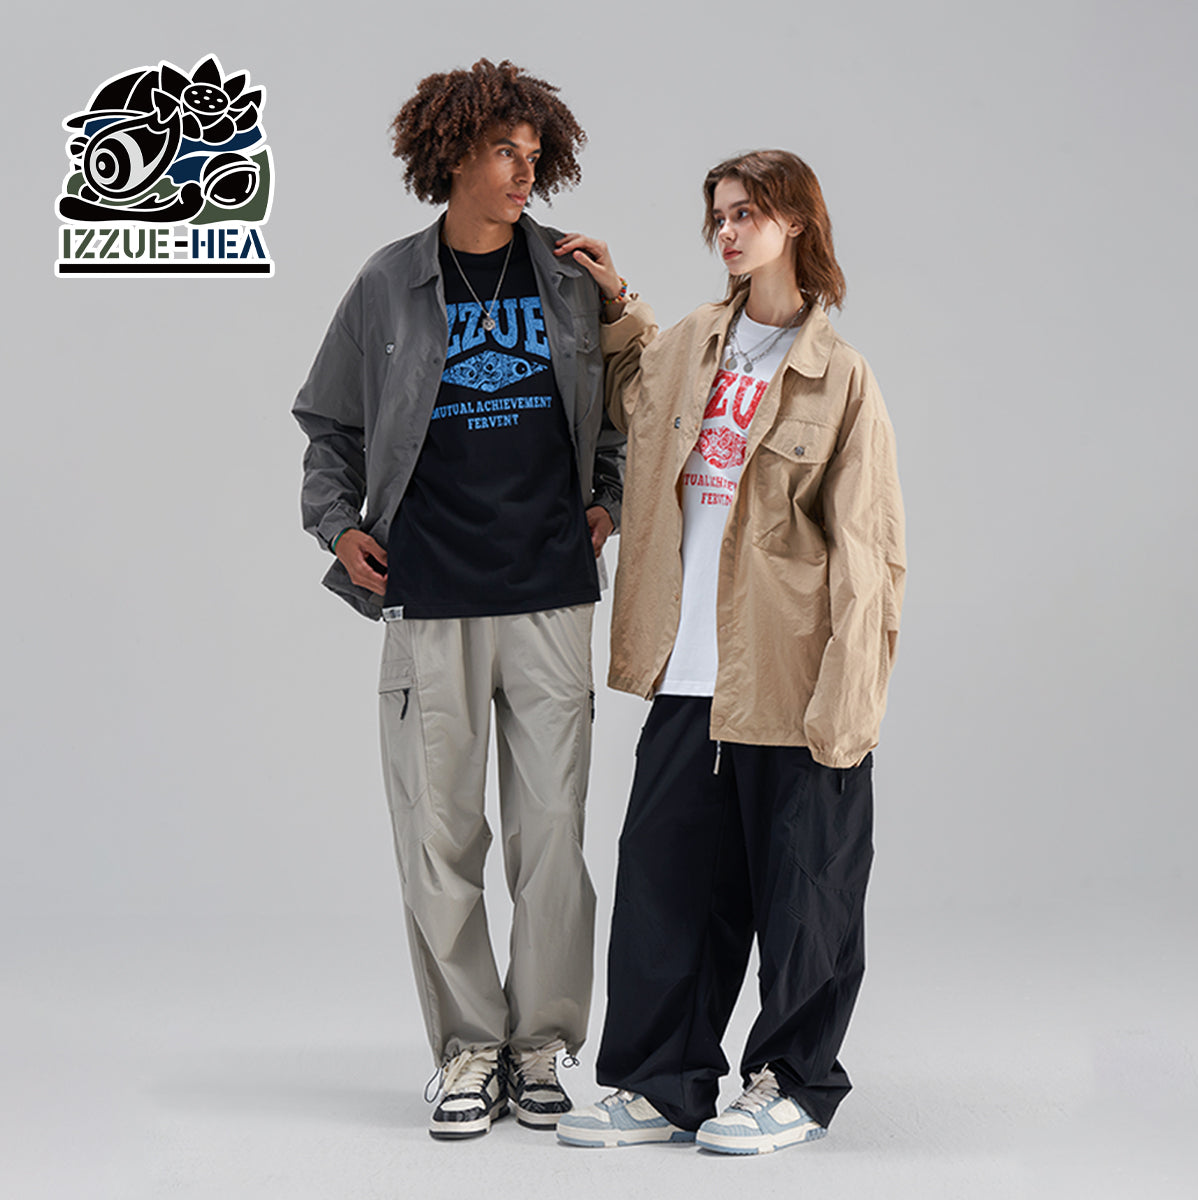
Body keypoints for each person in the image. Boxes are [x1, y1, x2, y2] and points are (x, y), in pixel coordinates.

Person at [292, 58, 626, 1141]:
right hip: (428, 590)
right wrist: (337, 523)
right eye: (502, 152)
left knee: (552, 835)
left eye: (534, 154)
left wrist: (610, 498)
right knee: (439, 835)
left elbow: (630, 408)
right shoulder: (389, 283)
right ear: (451, 157)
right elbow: (330, 425)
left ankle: (543, 1045)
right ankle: (469, 1049)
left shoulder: (572, 280)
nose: (524, 171)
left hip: (549, 592)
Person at [553, 150, 905, 1154]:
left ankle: (793, 1082)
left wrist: (851, 700)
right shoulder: (694, 346)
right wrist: (616, 294)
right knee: (664, 889)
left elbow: (870, 554)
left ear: (795, 222)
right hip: (688, 673)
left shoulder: (839, 377)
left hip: (790, 679)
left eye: (747, 213)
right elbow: (635, 386)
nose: (728, 231)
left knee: (805, 897)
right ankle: (661, 1084)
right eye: (718, 215)